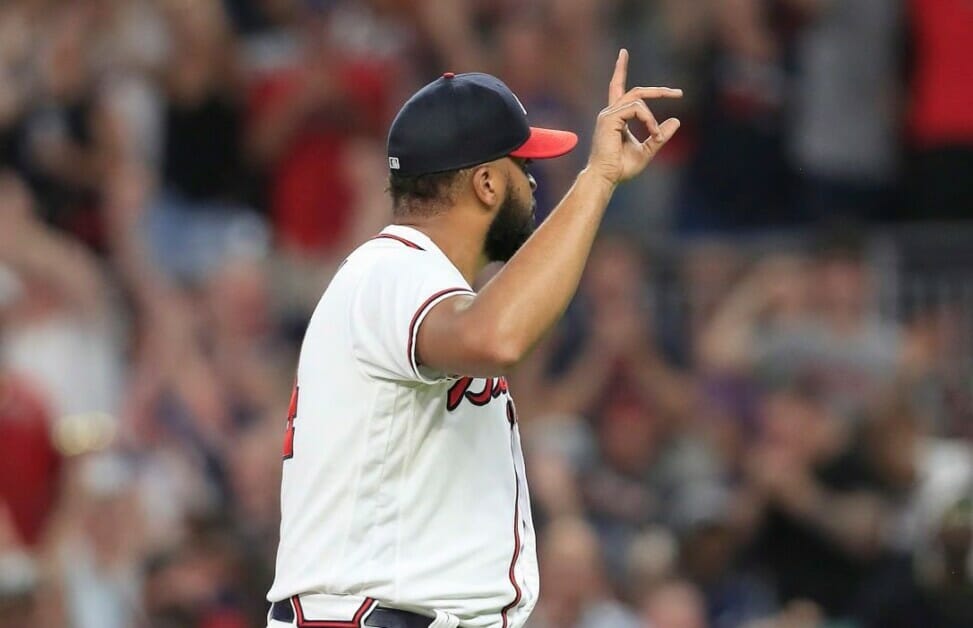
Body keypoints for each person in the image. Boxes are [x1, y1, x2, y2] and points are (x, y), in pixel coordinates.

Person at [265, 50, 682, 628]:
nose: (535, 182)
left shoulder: (409, 280)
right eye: (523, 166)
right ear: (486, 183)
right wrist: (597, 180)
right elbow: (497, 335)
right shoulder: (391, 268)